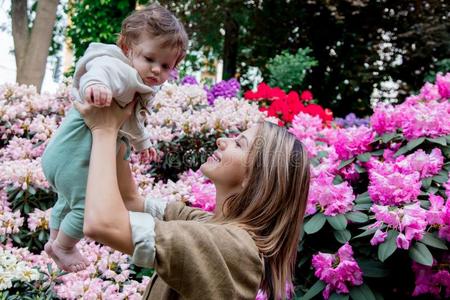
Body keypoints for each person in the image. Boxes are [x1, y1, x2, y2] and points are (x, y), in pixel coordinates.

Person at [75, 99, 311, 300]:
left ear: (256, 177)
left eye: (239, 144)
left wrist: (104, 131)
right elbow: (130, 200)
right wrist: (121, 129)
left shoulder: (232, 247)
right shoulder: (209, 224)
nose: (222, 141)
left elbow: (102, 224)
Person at [41, 3, 188, 272]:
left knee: (66, 200)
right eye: (150, 59)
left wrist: (143, 143)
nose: (157, 70)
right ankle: (65, 246)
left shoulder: (136, 78)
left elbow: (130, 120)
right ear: (127, 48)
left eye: (166, 66)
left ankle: (54, 242)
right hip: (74, 153)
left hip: (63, 156)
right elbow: (98, 72)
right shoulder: (118, 68)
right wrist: (96, 86)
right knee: (86, 204)